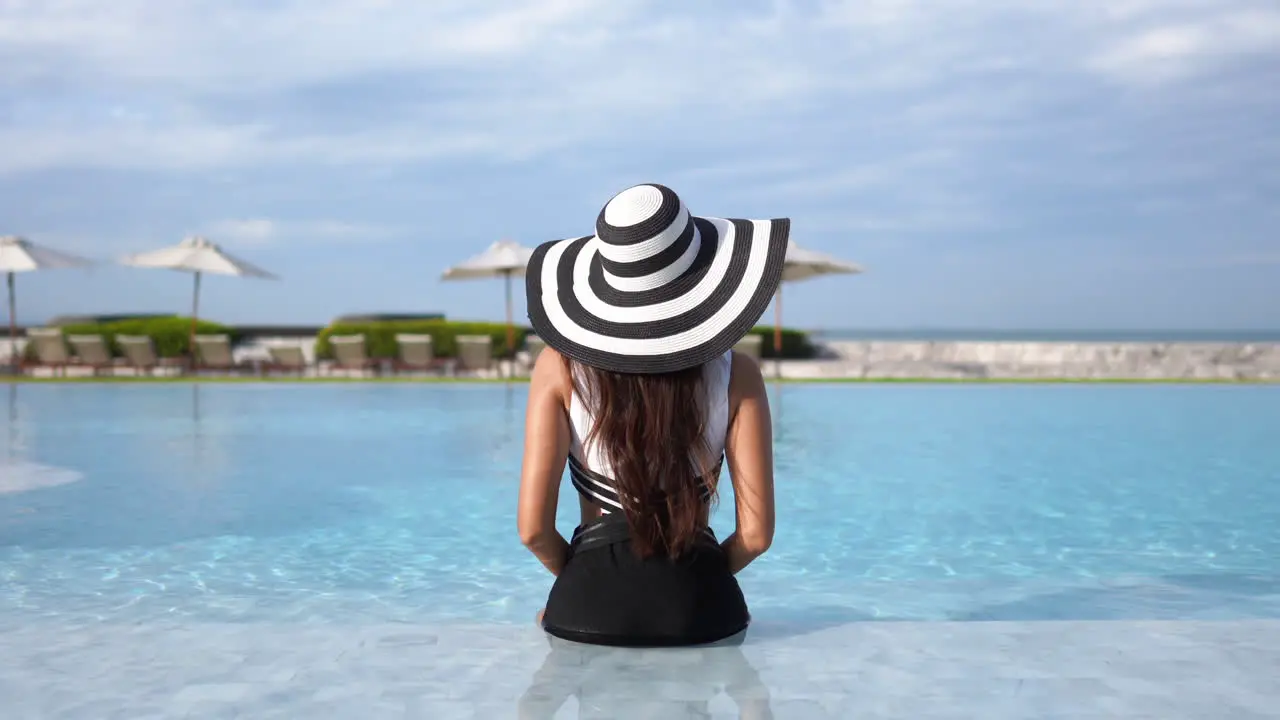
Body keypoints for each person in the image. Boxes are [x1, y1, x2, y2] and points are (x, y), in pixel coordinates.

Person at [517, 182, 787, 647]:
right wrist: (690, 586)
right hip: (702, 608)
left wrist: (582, 585)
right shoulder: (738, 374)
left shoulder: (556, 367)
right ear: (700, 277)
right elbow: (756, 536)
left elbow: (533, 531)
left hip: (588, 605)